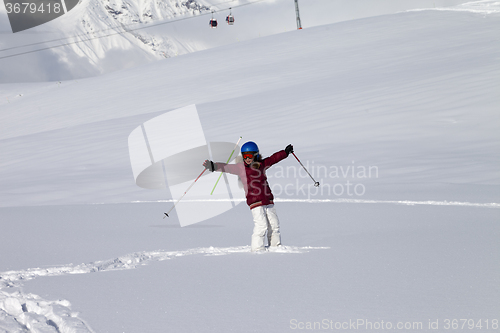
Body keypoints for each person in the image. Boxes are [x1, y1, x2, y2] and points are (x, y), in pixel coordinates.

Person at [203, 141, 294, 252]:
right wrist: (213, 166)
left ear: (255, 155)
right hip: (255, 201)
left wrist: (285, 152)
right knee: (261, 225)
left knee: (274, 225)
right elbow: (227, 167)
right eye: (244, 156)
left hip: (268, 199)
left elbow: (274, 158)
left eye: (249, 155)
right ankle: (257, 249)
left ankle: (275, 247)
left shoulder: (262, 164)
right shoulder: (241, 168)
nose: (247, 159)